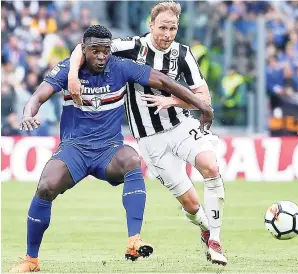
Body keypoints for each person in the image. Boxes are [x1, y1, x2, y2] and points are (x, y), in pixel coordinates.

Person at [9, 24, 213, 273]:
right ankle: (31, 259)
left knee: (132, 159)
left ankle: (134, 241)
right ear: (83, 50)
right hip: (75, 149)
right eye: (95, 51)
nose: (102, 56)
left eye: (106, 51)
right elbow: (38, 96)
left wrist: (202, 106)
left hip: (109, 150)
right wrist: (28, 113)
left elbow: (164, 81)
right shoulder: (66, 69)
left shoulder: (121, 66)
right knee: (46, 186)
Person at [68, 1, 227, 266]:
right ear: (150, 25)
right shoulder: (132, 47)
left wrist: (173, 101)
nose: (167, 34)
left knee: (210, 166)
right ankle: (204, 228)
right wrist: (73, 74)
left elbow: (204, 98)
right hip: (151, 141)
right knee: (190, 204)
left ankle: (216, 240)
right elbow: (82, 47)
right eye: (163, 27)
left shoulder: (183, 54)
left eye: (173, 28)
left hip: (181, 127)